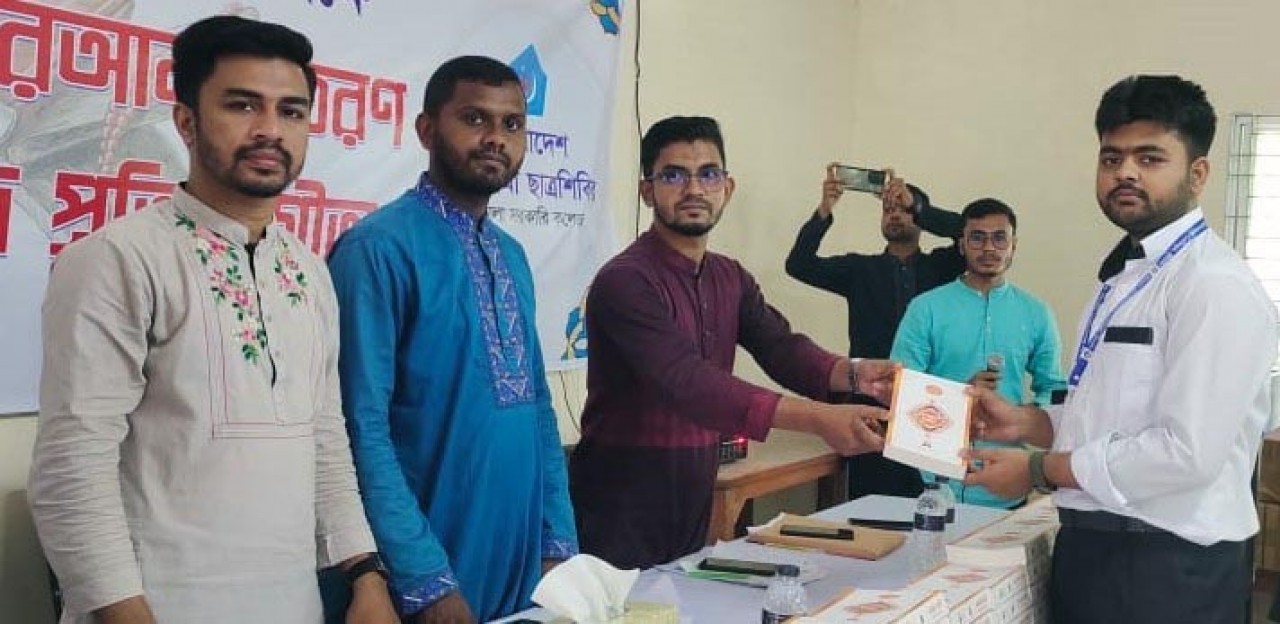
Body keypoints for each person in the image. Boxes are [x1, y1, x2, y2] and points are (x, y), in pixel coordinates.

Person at [26, 15, 397, 624]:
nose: (270, 130)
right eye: (242, 105)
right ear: (186, 122)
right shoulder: (116, 260)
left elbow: (325, 439)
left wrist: (365, 573)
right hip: (156, 607)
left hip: (293, 606)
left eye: (291, 111)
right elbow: (73, 469)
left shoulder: (308, 271)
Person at [964, 75, 1277, 623]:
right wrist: (1026, 423)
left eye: (1150, 158)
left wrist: (1037, 469)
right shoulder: (1124, 278)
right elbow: (1114, 414)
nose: (1125, 172)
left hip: (1167, 568)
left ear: (1198, 174)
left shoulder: (1213, 285)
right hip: (1099, 551)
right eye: (1112, 158)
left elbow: (1185, 454)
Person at [569, 116, 897, 570]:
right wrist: (818, 418)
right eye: (673, 175)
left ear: (727, 187)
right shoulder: (624, 282)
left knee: (680, 599)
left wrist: (856, 373)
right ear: (647, 191)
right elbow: (688, 382)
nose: (694, 189)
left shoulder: (730, 276)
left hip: (695, 487)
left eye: (708, 174)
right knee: (619, 604)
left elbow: (781, 347)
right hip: (622, 495)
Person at [327, 56, 577, 624]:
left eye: (512, 124)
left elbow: (539, 410)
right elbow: (358, 426)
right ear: (426, 130)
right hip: (420, 573)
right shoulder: (377, 250)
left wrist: (557, 542)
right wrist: (424, 578)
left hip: (519, 565)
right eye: (474, 118)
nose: (495, 139)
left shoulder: (511, 255)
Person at [786, 167, 965, 500]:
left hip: (932, 404)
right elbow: (799, 264)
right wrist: (825, 209)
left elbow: (965, 229)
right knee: (869, 504)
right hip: (871, 403)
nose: (894, 214)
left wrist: (919, 207)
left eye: (902, 208)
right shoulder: (860, 269)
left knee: (931, 503)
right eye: (887, 209)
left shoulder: (942, 267)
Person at [891, 198, 1065, 508]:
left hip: (1007, 481)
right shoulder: (926, 308)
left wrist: (1023, 421)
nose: (988, 248)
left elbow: (1053, 389)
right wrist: (959, 395)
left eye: (999, 238)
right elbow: (900, 386)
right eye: (977, 238)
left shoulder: (1036, 313)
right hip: (931, 479)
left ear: (1013, 245)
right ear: (961, 245)